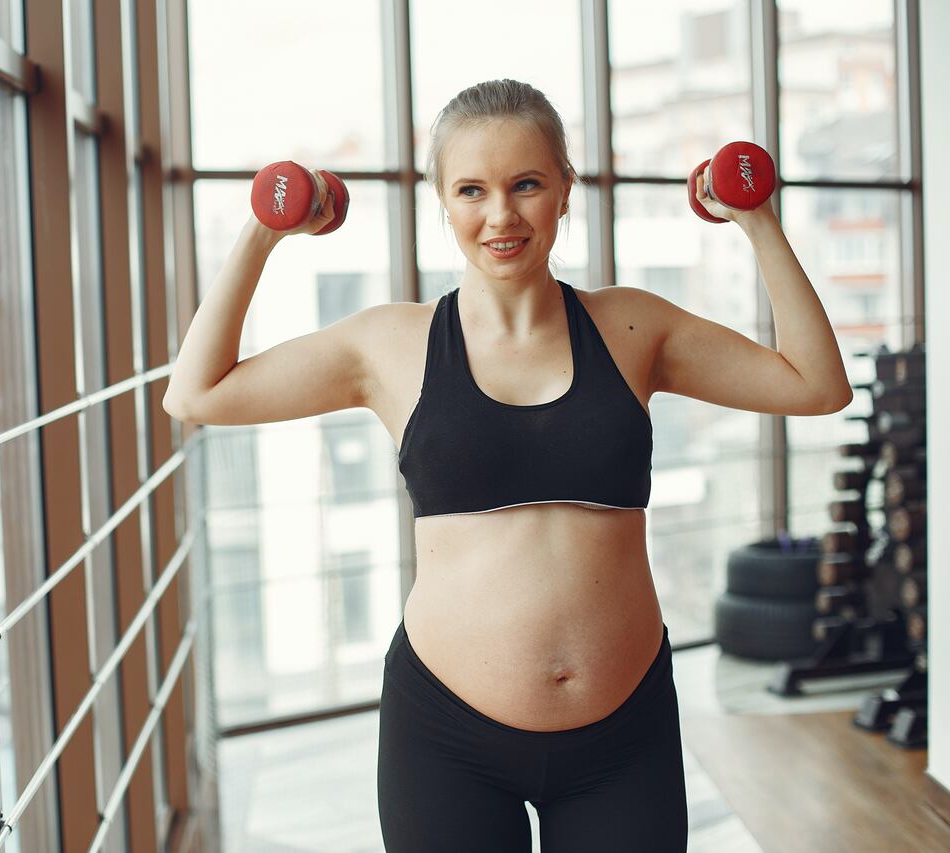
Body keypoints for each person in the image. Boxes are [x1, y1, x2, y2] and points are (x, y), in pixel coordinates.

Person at [162, 78, 852, 852]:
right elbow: (196, 393)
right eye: (471, 190)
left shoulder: (631, 325)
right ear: (442, 202)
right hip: (446, 739)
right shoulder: (390, 345)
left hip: (624, 738)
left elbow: (817, 385)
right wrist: (265, 231)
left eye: (526, 184)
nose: (501, 215)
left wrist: (755, 220)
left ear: (565, 188)